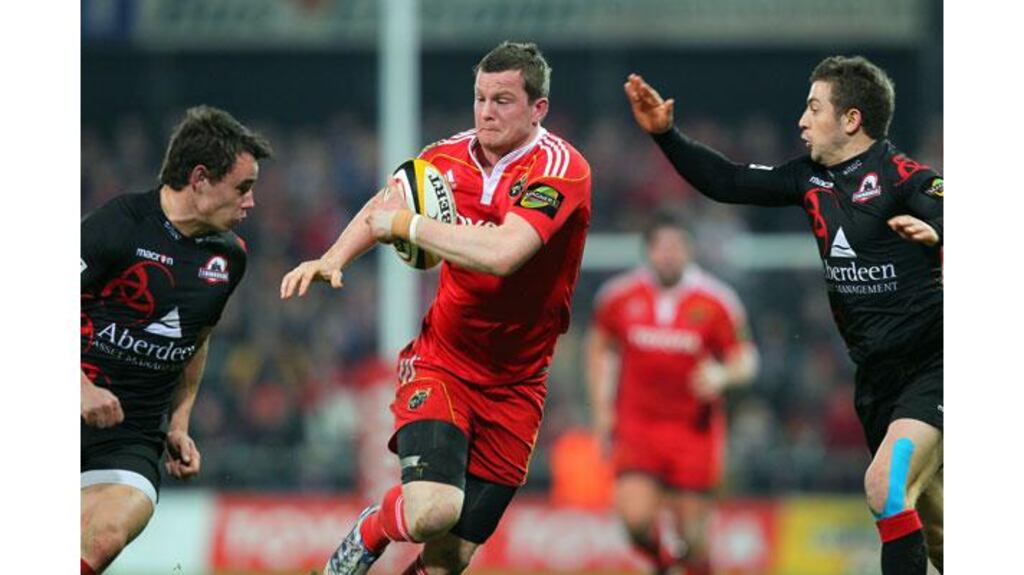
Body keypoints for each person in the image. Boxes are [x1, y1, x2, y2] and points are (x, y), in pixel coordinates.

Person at [280, 41, 591, 575]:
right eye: (479, 98)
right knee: (432, 511)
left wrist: (406, 228)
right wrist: (334, 256)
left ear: (538, 109)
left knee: (449, 558)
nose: (486, 111)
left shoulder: (560, 169)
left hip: (519, 383)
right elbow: (387, 204)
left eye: (503, 100)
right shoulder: (443, 158)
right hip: (443, 362)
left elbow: (503, 254)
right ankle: (366, 536)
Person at [625, 56, 943, 574]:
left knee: (885, 487)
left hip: (937, 366)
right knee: (937, 531)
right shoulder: (808, 178)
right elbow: (727, 180)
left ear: (852, 120)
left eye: (814, 107)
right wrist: (667, 136)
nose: (801, 119)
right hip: (877, 382)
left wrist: (938, 234)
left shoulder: (905, 178)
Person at [80, 106, 272, 575]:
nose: (251, 203)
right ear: (201, 178)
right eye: (243, 188)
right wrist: (79, 388)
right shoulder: (118, 225)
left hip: (130, 437)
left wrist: (180, 423)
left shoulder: (230, 258)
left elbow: (196, 337)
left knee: (103, 535)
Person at [586, 212, 758, 575]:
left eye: (676, 246)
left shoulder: (716, 301)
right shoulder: (619, 297)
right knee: (635, 520)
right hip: (638, 425)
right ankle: (664, 564)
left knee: (693, 537)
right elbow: (600, 349)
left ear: (690, 250)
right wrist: (603, 411)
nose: (668, 254)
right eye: (661, 247)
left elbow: (746, 360)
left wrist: (722, 374)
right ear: (648, 251)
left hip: (693, 430)